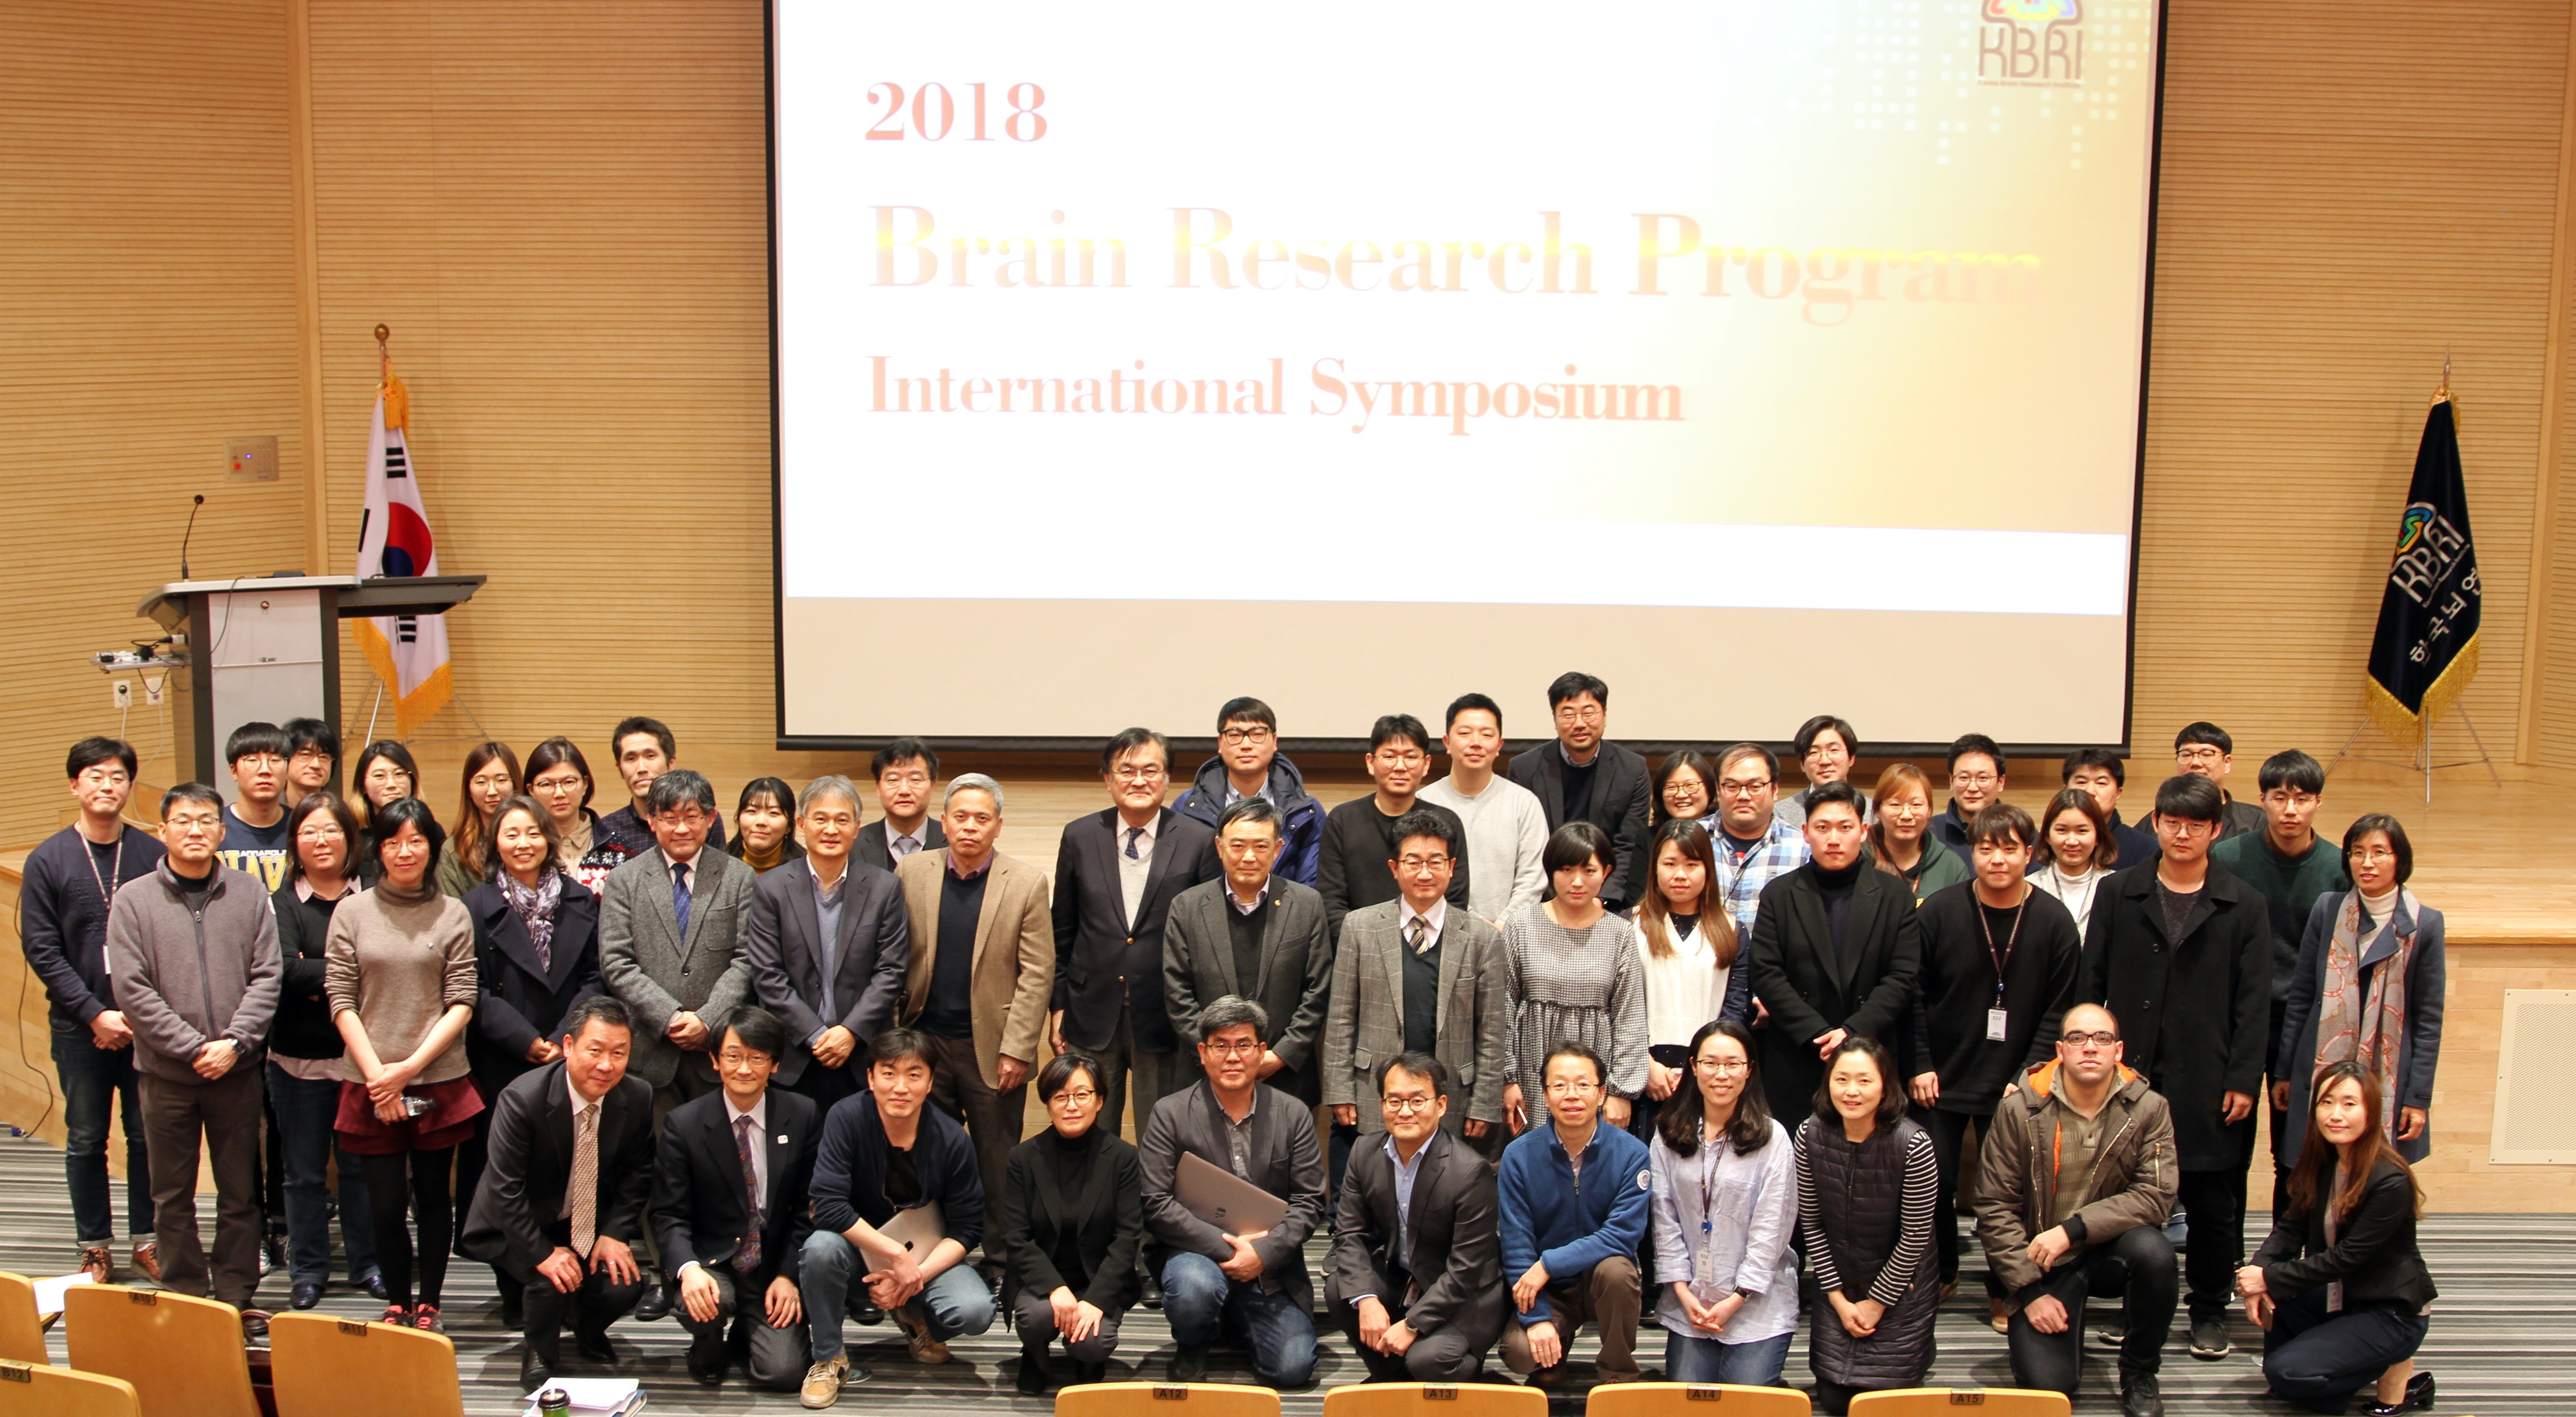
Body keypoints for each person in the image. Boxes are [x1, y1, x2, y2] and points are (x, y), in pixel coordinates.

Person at [2078, 773, 2273, 1361]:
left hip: (2208, 1079)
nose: (2181, 834)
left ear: (2216, 830)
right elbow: (2090, 982)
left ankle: (2209, 1310)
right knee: (2127, 1198)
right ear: (2156, 823)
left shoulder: (2244, 902)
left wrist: (2243, 1079)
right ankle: (2137, 1308)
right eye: (2171, 822)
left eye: (2195, 824)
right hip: (2129, 1079)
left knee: (2212, 1203)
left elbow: (2254, 1004)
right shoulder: (2119, 892)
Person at [106, 783, 281, 1329]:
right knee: (171, 1195)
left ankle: (235, 1296)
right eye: (183, 821)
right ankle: (185, 1296)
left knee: (240, 1192)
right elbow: (131, 988)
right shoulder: (133, 899)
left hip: (237, 1070)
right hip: (166, 1075)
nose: (195, 830)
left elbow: (268, 975)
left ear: (221, 832)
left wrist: (234, 1043)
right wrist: (191, 1048)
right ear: (163, 831)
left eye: (206, 821)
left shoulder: (249, 893)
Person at [1906, 802, 2081, 1312]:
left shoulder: (2053, 920)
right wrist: (1919, 1062)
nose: (1997, 859)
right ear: (1972, 852)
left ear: (2030, 852)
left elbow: (2059, 1009)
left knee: (2013, 1191)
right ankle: (1942, 1271)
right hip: (1939, 1075)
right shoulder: (1939, 911)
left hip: (2018, 1082)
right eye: (1986, 848)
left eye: (2009, 848)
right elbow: (1910, 993)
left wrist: (2030, 1074)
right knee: (1931, 1182)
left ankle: (2007, 1285)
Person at [601, 767, 759, 1319]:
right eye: (669, 817)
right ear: (652, 821)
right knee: (658, 1167)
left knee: (726, 1162)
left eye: (692, 816)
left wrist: (707, 1020)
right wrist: (670, 1017)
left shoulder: (738, 877)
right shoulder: (625, 880)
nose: (681, 827)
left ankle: (723, 1264)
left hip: (717, 1051)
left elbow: (746, 959)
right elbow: (616, 962)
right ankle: (671, 1272)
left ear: (711, 818)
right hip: (652, 1049)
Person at [1974, 1003, 2179, 1417]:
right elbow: (1994, 1207)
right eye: (2077, 1038)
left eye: (2101, 1038)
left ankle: (2139, 1370)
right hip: (2043, 1261)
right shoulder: (2019, 1110)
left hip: (2110, 1249)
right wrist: (2028, 1293)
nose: (2089, 1047)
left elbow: (2155, 1195)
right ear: (2060, 1049)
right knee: (2050, 1389)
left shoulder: (2150, 1108)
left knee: (2156, 1254)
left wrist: (2073, 1229)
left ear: (2117, 1050)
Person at [327, 795, 482, 1330]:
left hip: (435, 1080)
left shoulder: (453, 912)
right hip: (371, 1083)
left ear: (432, 848)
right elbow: (340, 998)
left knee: (435, 1198)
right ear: (378, 850)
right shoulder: (351, 912)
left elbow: (462, 999)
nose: (405, 851)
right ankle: (397, 1300)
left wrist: (407, 1070)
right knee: (387, 1204)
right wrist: (381, 1077)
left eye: (416, 840)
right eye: (393, 842)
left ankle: (430, 1302)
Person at [894, 773, 1054, 1269]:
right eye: (960, 817)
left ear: (998, 826)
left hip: (992, 1047)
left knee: (997, 1160)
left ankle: (1002, 1259)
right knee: (925, 1154)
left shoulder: (1025, 883)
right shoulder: (911, 872)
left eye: (981, 818)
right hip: (924, 1043)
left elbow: (1037, 973)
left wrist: (1018, 1049)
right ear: (943, 822)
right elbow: (893, 955)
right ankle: (928, 1254)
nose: (969, 827)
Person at [21, 738, 166, 1283]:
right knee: (86, 1138)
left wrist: (133, 1015)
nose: (108, 785)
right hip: (78, 1027)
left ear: (130, 785)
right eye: (96, 776)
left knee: (146, 1135)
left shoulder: (151, 855)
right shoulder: (48, 859)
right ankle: (94, 1246)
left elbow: (166, 944)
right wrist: (94, 1015)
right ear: (74, 785)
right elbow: (42, 950)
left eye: (118, 776)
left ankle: (147, 1240)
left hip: (144, 1026)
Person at [460, 995, 656, 1393]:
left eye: (619, 1053)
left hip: (582, 1219)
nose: (606, 1065)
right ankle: (540, 1354)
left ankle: (585, 1327)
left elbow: (639, 1175)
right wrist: (543, 1254)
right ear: (568, 1046)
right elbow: (505, 1190)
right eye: (595, 1051)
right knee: (551, 1277)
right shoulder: (523, 1098)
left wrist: (615, 1233)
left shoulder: (636, 1097)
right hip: (515, 1221)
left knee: (626, 1283)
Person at [798, 1028, 999, 1404]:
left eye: (914, 1075)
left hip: (923, 1256)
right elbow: (828, 1204)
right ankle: (829, 1357)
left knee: (975, 1310)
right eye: (889, 1074)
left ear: (930, 1082)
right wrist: (895, 1255)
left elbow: (968, 1228)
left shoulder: (952, 1138)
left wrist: (913, 1276)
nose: (901, 1087)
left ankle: (914, 1316)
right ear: (871, 1078)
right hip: (857, 1251)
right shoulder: (846, 1117)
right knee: (819, 1249)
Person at [464, 793, 606, 1325]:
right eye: (511, 834)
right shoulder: (475, 907)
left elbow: (594, 976)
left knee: (569, 1171)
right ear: (496, 843)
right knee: (510, 1174)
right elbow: (472, 988)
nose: (523, 843)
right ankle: (515, 1284)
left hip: (571, 1054)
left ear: (548, 838)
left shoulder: (580, 899)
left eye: (532, 832)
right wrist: (526, 1039)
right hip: (505, 1056)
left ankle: (570, 1289)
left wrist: (562, 1036)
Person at [1140, 996, 1328, 1388]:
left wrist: (1263, 1253)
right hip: (1195, 1252)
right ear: (1202, 1053)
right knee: (1195, 1289)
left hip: (1268, 1261)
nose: (1232, 1056)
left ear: (1261, 1051)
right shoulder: (1170, 1113)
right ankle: (1195, 1340)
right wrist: (1231, 1250)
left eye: (1243, 1044)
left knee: (1293, 1369)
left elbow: (1310, 1202)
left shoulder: (1292, 1114)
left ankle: (1232, 1314)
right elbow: (1155, 1203)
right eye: (1220, 1045)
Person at [1050, 728, 1222, 1144]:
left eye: (1151, 770)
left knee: (1162, 1136)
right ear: (1108, 779)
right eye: (1126, 771)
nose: (1139, 780)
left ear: (1167, 779)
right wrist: (1057, 1006)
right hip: (1090, 1010)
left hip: (1165, 1015)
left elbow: (1207, 941)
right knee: (1090, 1136)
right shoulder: (1079, 836)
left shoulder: (1198, 840)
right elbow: (1063, 930)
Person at [2240, 1061, 2439, 1417]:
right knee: (2291, 1367)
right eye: (2326, 1102)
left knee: (2288, 1374)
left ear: (2370, 1113)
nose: (2335, 1115)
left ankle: (2395, 1368)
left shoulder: (2390, 1180)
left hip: (2390, 1309)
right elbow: (2291, 1227)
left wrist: (2267, 1277)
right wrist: (2260, 1270)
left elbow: (2346, 1258)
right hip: (2343, 1294)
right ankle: (2340, 1367)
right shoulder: (2323, 1160)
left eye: (2349, 1104)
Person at [650, 1006, 821, 1390]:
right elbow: (668, 1214)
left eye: (757, 1058)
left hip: (771, 1265)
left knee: (784, 1374)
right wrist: (688, 1269)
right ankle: (707, 1346)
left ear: (774, 1064)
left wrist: (788, 1276)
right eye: (733, 1056)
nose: (744, 1069)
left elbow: (808, 1208)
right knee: (706, 1302)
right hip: (711, 1259)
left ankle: (748, 1329)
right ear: (715, 1060)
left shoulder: (802, 1114)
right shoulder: (684, 1124)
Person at [1322, 810, 1513, 1146]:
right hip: (1373, 1092)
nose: (1424, 873)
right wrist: (1340, 1090)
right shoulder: (1359, 927)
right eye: (1413, 862)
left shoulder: (1482, 939)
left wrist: (1484, 1103)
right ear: (1395, 868)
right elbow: (1340, 1018)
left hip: (1453, 1095)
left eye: (1435, 862)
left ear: (1451, 867)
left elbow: (1492, 1031)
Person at [2216, 749, 2353, 1205]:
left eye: (2302, 799)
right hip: (2236, 1019)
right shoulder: (2228, 859)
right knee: (2228, 1148)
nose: (2289, 810)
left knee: (2293, 1151)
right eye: (2279, 798)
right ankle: (2226, 1248)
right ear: (2262, 800)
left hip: (2300, 1025)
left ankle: (2285, 1246)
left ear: (2318, 803)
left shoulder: (2337, 870)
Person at [1747, 781, 1923, 1132]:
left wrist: (1852, 1032)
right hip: (1798, 1053)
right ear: (1805, 832)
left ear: (1863, 831)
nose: (1833, 839)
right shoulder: (1779, 895)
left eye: (1845, 828)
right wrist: (1820, 1033)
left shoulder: (1895, 896)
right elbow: (1766, 974)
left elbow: (1902, 976)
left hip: (1871, 1053)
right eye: (1822, 828)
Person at [266, 791, 383, 1309]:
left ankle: (368, 1263)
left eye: (332, 829)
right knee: (304, 1174)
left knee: (360, 1169)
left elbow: (383, 965)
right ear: (295, 842)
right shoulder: (282, 903)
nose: (321, 840)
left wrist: (316, 971)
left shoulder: (373, 895)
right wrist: (348, 974)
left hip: (363, 1063)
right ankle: (308, 1270)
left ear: (350, 838)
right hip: (298, 1060)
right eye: (309, 831)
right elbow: (284, 971)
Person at [2275, 816, 2444, 1170]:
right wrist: (2286, 1071)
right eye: (2357, 852)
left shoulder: (2425, 924)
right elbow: (2302, 995)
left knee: (2377, 1174)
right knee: (2309, 1172)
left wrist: (2418, 1097)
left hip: (2389, 1074)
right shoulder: (2328, 909)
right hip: (2319, 1065)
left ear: (2399, 859)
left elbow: (2428, 1020)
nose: (2367, 863)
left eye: (2379, 852)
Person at [1329, 1053, 1509, 1382]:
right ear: (1382, 1104)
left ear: (1441, 1105)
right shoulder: (1364, 1153)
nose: (1405, 1111)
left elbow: (1466, 1269)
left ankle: (1475, 1380)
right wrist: (1366, 1300)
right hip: (1406, 1279)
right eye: (1394, 1101)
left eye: (1417, 1101)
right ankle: (1394, 1381)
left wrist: (1412, 1325)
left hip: (1464, 1293)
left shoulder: (1470, 1171)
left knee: (1429, 1361)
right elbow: (1349, 1232)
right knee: (1342, 1288)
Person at [747, 774, 909, 1113]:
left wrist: (849, 1032)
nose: (831, 829)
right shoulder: (770, 888)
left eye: (842, 820)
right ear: (801, 825)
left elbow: (891, 972)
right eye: (820, 819)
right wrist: (816, 1034)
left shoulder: (884, 888)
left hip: (862, 1056)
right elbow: (767, 975)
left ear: (857, 828)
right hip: (794, 1056)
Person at [1648, 1020, 1797, 1386]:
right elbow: (1663, 1219)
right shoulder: (1667, 1133)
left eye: (1733, 1064)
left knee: (1744, 1403)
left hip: (1756, 1304)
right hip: (1690, 1302)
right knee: (1690, 1403)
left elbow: (1772, 1230)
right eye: (1710, 1063)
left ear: (1749, 1070)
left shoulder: (1773, 1138)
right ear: (1693, 1067)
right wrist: (1681, 1291)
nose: (1721, 1074)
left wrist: (1737, 1297)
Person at [1796, 1035, 1938, 1413]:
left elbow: (1915, 1237)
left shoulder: (1914, 1143)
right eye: (1841, 1079)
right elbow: (1812, 1223)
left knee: (1879, 1404)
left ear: (1885, 1086)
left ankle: (1919, 1346)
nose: (1852, 1091)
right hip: (1838, 1285)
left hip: (1899, 1289)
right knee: (1835, 1400)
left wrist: (1877, 1303)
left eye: (1864, 1080)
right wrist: (1838, 1300)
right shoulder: (1809, 1134)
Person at [1496, 1042, 1649, 1387]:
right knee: (1520, 1353)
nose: (1572, 1095)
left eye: (1583, 1085)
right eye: (1560, 1085)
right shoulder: (1518, 1156)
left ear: (1602, 1094)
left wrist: (1548, 1264)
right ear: (1545, 1095)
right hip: (1550, 1290)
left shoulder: (1631, 1153)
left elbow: (1622, 1236)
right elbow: (1517, 1245)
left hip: (1601, 1283)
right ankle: (1555, 1346)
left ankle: (1618, 1373)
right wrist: (1536, 1319)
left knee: (1618, 1272)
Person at [1164, 796, 1334, 1106]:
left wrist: (1282, 1054)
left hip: (1285, 1076)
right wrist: (1218, 1055)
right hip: (1204, 1075)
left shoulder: (1307, 905)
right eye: (1238, 846)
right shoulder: (1187, 907)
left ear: (1278, 849)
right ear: (1220, 847)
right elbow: (1178, 993)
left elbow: (1318, 990)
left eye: (1261, 846)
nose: (1249, 857)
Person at [997, 1052, 1146, 1394]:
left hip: (1096, 1278)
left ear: (1100, 1101)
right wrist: (1055, 1288)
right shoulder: (1023, 1158)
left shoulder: (1123, 1158)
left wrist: (1096, 1299)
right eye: (1060, 1097)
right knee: (1036, 1319)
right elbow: (1016, 1237)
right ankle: (1035, 1354)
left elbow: (1127, 1238)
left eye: (1082, 1095)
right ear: (1048, 1103)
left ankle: (1087, 1359)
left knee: (1092, 1343)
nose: (1072, 1106)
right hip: (1042, 1280)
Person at [1502, 823, 1647, 1134]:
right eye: (1567, 870)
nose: (1577, 881)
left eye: (1589, 870)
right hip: (1531, 1070)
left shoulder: (1620, 933)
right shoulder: (1521, 924)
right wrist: (1508, 1079)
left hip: (1595, 1072)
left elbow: (1630, 1016)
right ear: (1551, 871)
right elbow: (1502, 1008)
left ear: (1606, 872)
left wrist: (1621, 1091)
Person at [1636, 820, 1752, 1125]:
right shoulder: (1630, 924)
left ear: (1708, 869)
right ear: (1655, 868)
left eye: (1692, 864)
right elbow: (1622, 1008)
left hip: (1710, 1072)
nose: (1680, 874)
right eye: (1670, 864)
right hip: (1646, 1070)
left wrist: (1707, 1067)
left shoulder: (1732, 930)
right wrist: (1644, 1064)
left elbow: (1736, 1007)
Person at [1506, 671, 1654, 911]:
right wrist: (1554, 901)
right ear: (1555, 718)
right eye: (1568, 714)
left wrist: (1601, 899)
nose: (1579, 724)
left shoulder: (1633, 769)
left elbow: (1628, 846)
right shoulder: (1524, 769)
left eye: (1588, 713)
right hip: (1542, 899)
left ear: (1605, 715)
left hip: (1606, 900)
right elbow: (1525, 848)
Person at [1319, 713, 1471, 940]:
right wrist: (1374, 947)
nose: (1400, 767)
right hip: (1360, 947)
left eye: (1411, 757)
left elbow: (1456, 901)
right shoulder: (1343, 820)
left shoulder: (1445, 822)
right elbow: (1331, 904)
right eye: (1389, 756)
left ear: (1426, 764)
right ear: (1370, 762)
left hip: (1431, 947)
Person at [1417, 692, 1548, 928]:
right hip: (1439, 932)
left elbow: (1533, 878)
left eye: (1486, 735)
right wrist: (1476, 925)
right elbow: (1420, 875)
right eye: (1465, 733)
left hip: (1510, 934)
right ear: (1447, 742)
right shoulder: (1424, 803)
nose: (1476, 742)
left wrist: (1504, 926)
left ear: (1499, 746)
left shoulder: (1524, 803)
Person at [1170, 696, 1325, 887]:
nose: (1246, 745)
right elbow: (1179, 882)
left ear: (1275, 741)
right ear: (1220, 742)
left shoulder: (1306, 810)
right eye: (1235, 735)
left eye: (1258, 734)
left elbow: (1311, 885)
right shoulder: (1187, 808)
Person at [592, 715, 726, 877]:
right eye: (631, 759)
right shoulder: (607, 830)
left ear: (671, 763)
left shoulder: (700, 818)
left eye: (650, 756)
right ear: (620, 769)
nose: (642, 768)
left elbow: (717, 876)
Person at [1708, 743, 1810, 939]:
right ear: (1718, 790)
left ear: (1775, 790)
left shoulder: (1803, 849)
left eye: (1755, 787)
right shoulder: (1690, 841)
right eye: (1732, 787)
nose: (1743, 796)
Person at [1868, 762, 1971, 905]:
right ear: (1878, 810)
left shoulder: (1951, 867)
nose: (1906, 815)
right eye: (1896, 805)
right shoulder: (1859, 860)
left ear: (1929, 811)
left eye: (1916, 805)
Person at [436, 740, 522, 898]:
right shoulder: (454, 850)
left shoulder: (535, 841)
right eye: (481, 782)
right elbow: (452, 910)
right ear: (469, 788)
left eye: (501, 780)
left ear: (515, 782)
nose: (492, 791)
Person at [524, 735, 607, 892]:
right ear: (531, 791)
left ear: (585, 784)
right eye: (546, 784)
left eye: (569, 782)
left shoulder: (614, 845)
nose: (559, 793)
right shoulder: (524, 847)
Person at [217, 720, 294, 891]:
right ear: (234, 771)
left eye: (275, 760)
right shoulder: (214, 827)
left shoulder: (303, 826)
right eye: (252, 760)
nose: (265, 770)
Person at [2030, 787, 2119, 928]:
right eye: (2062, 830)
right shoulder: (2029, 888)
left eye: (2082, 831)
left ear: (2098, 836)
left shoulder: (2118, 888)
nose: (2072, 841)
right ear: (2047, 835)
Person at [855, 737, 947, 872]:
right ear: (878, 787)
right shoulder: (854, 844)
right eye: (893, 780)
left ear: (933, 786)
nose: (904, 790)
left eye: (915, 779)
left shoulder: (952, 842)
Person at [2062, 748, 2159, 869]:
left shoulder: (2145, 849)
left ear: (2118, 793)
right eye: (2081, 782)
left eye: (2101, 783)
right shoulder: (2052, 842)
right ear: (2065, 791)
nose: (2090, 791)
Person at [2174, 721, 2267, 841]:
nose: (2196, 762)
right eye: (2187, 755)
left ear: (2227, 763)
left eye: (2207, 755)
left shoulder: (2257, 822)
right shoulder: (2158, 821)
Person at [1778, 715, 1873, 828]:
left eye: (1834, 750)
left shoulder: (1874, 813)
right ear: (1802, 764)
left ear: (1851, 758)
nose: (1825, 761)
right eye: (1814, 752)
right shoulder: (1781, 815)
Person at [1929, 733, 2008, 859]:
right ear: (1952, 781)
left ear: (2001, 782)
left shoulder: (2021, 832)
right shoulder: (1929, 833)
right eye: (1964, 778)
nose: (1972, 788)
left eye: (1983, 778)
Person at [727, 777, 806, 875]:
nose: (761, 822)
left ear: (789, 826)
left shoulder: (805, 870)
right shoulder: (720, 864)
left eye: (773, 813)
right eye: (752, 811)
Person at [350, 739, 423, 830]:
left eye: (399, 774)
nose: (391, 784)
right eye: (379, 776)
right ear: (363, 786)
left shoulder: (430, 831)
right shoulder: (350, 834)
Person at [1650, 749, 1719, 834]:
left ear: (1709, 790)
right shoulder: (1644, 838)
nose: (1681, 795)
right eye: (1671, 787)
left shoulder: (1726, 835)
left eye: (1690, 785)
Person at [281, 716, 339, 810]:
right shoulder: (268, 809)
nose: (316, 765)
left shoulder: (341, 814)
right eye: (306, 755)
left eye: (323, 757)